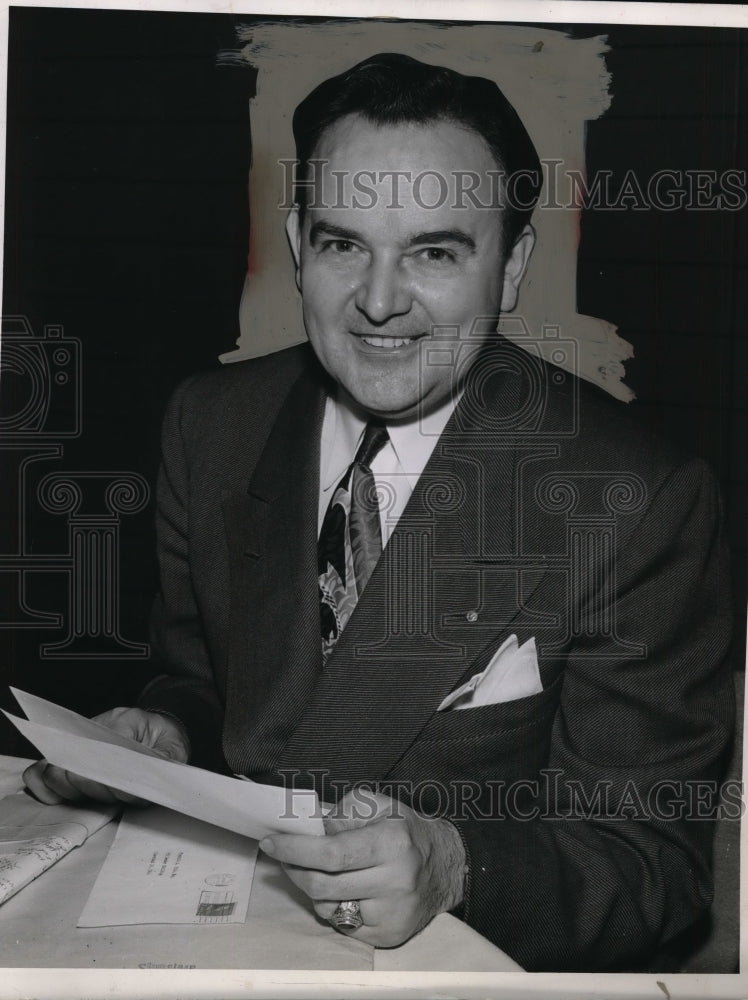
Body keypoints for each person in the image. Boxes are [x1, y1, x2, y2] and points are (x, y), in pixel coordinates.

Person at [24, 53, 734, 972]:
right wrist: (167, 733)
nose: (380, 302)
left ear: (511, 266)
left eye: (435, 252)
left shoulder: (640, 498)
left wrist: (455, 863)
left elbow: (654, 872)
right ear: (295, 241)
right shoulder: (211, 422)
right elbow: (211, 679)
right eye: (342, 243)